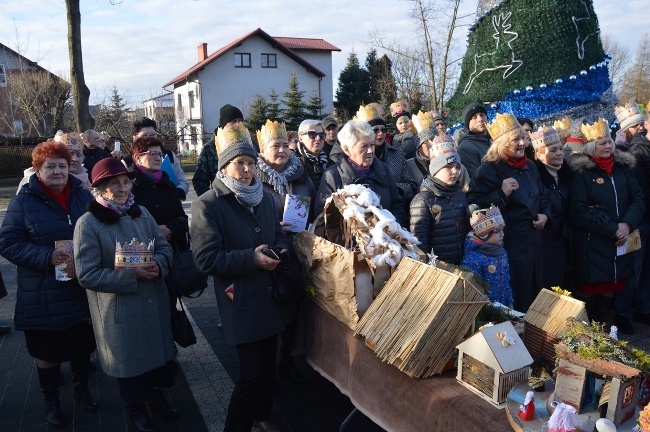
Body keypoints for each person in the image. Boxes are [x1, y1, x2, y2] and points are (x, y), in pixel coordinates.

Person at [191, 122, 289, 432]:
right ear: (224, 166)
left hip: (270, 294)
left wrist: (280, 253)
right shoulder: (207, 204)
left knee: (268, 367)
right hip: (240, 298)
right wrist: (251, 259)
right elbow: (205, 259)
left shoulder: (263, 197)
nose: (247, 170)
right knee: (251, 373)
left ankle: (261, 416)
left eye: (250, 162)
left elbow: (279, 237)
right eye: (239, 163)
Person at [74, 157, 177, 432]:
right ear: (99, 189)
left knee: (160, 361)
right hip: (121, 310)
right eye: (113, 184)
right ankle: (135, 408)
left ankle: (158, 397)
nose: (122, 188)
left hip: (153, 302)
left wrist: (160, 264)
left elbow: (165, 248)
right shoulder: (88, 224)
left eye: (125, 182)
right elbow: (87, 274)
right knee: (132, 368)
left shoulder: (141, 212)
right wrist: (132, 276)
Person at [0, 141, 96, 428]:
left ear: (70, 168)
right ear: (38, 170)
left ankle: (82, 389)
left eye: (62, 166)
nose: (57, 171)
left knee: (82, 346)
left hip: (79, 288)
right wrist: (46, 256)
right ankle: (50, 400)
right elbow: (7, 242)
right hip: (42, 293)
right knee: (48, 353)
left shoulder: (82, 196)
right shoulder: (24, 201)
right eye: (50, 166)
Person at [467, 112, 550, 311]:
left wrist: (546, 215)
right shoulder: (488, 170)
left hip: (536, 245)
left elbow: (544, 195)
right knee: (518, 300)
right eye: (516, 140)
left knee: (537, 298)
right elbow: (474, 207)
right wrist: (501, 193)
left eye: (523, 138)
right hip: (509, 247)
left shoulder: (530, 166)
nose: (522, 143)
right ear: (502, 143)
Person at [569, 118, 644, 330]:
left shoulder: (623, 168)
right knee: (589, 286)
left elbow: (637, 198)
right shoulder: (583, 173)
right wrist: (613, 229)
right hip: (594, 240)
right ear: (592, 146)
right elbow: (578, 211)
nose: (608, 146)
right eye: (602, 143)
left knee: (612, 284)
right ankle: (580, 331)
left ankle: (600, 331)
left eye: (609, 141)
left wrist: (626, 224)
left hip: (621, 239)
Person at [256, 119, 314, 383]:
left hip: (299, 251)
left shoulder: (301, 175)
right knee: (271, 313)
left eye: (283, 145)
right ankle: (270, 368)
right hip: (269, 253)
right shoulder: (254, 179)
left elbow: (314, 206)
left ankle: (288, 361)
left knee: (294, 309)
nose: (281, 150)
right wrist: (273, 226)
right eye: (274, 146)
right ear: (263, 149)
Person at [315, 119, 406, 224]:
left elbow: (397, 204)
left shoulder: (383, 170)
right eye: (364, 146)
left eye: (372, 145)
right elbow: (322, 216)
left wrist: (390, 226)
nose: (371, 151)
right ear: (347, 149)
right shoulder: (332, 175)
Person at [409, 134, 470, 264]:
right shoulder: (422, 201)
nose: (455, 171)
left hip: (464, 266)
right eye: (448, 167)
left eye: (457, 167)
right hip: (439, 271)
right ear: (435, 169)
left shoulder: (460, 195)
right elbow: (419, 243)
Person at [129, 136, 189, 252]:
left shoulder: (168, 184)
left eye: (160, 154)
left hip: (173, 252)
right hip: (141, 254)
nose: (158, 158)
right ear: (137, 157)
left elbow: (183, 219)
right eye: (152, 153)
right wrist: (155, 231)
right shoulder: (128, 186)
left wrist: (170, 229)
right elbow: (125, 224)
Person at [530, 126, 572, 289]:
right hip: (542, 243)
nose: (560, 153)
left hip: (562, 241)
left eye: (561, 149)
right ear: (539, 153)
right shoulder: (534, 177)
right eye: (553, 150)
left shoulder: (568, 175)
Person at [352, 103, 418, 206]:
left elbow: (412, 185)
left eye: (383, 130)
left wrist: (395, 190)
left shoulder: (396, 154)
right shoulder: (356, 157)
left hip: (394, 210)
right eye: (375, 130)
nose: (380, 134)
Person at [461, 205, 514, 307]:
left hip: (503, 307)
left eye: (502, 230)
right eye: (497, 231)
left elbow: (507, 281)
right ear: (484, 234)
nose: (502, 234)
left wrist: (510, 302)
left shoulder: (502, 253)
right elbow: (471, 288)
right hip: (484, 310)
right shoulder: (473, 258)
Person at [408, 110, 471, 190]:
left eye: (433, 140)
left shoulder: (456, 166)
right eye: (426, 143)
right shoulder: (410, 166)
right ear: (418, 146)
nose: (431, 146)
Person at [130, 117, 189, 200]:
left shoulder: (168, 155)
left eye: (153, 135)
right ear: (135, 138)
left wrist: (175, 194)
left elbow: (183, 182)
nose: (150, 138)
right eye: (145, 135)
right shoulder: (127, 161)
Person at [193, 104, 244, 196]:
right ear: (224, 125)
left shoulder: (249, 145)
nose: (237, 124)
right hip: (222, 200)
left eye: (240, 120)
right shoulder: (210, 148)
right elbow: (199, 181)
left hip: (248, 199)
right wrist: (212, 201)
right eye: (233, 121)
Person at [629, 108, 650, 327]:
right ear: (646, 125)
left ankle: (644, 308)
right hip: (642, 219)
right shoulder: (638, 151)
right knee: (634, 266)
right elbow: (642, 190)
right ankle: (624, 312)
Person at [18, 131, 91, 192]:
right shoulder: (31, 182)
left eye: (78, 155)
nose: (75, 159)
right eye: (70, 154)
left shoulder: (86, 182)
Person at [295, 119, 333, 189]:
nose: (318, 138)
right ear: (300, 138)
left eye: (321, 135)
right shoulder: (294, 164)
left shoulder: (330, 163)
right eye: (312, 135)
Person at [457, 102, 491, 178]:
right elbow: (477, 179)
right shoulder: (465, 148)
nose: (480, 119)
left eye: (482, 115)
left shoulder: (496, 139)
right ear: (467, 123)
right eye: (474, 117)